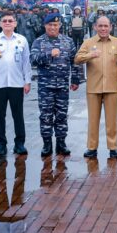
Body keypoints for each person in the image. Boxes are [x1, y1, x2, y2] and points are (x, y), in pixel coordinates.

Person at [0, 11, 32, 158]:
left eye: (10, 21)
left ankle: (19, 143)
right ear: (0, 24)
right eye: (5, 21)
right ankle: (1, 143)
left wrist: (27, 81)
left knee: (18, 115)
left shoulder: (21, 40)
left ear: (15, 23)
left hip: (16, 83)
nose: (8, 23)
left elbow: (26, 63)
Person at [75, 16, 117, 159]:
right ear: (95, 27)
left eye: (106, 26)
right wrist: (90, 55)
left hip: (112, 86)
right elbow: (77, 59)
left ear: (111, 27)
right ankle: (92, 147)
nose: (103, 29)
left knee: (112, 120)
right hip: (93, 87)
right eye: (100, 26)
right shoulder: (88, 42)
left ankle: (113, 147)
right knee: (93, 119)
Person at [30, 13, 83, 157]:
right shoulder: (39, 42)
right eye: (50, 25)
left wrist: (76, 79)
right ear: (45, 25)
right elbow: (33, 60)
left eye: (55, 25)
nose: (53, 27)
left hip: (62, 86)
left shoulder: (68, 41)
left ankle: (61, 143)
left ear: (60, 25)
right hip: (45, 86)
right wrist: (48, 54)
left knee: (61, 115)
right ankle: (47, 144)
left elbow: (75, 61)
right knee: (46, 116)